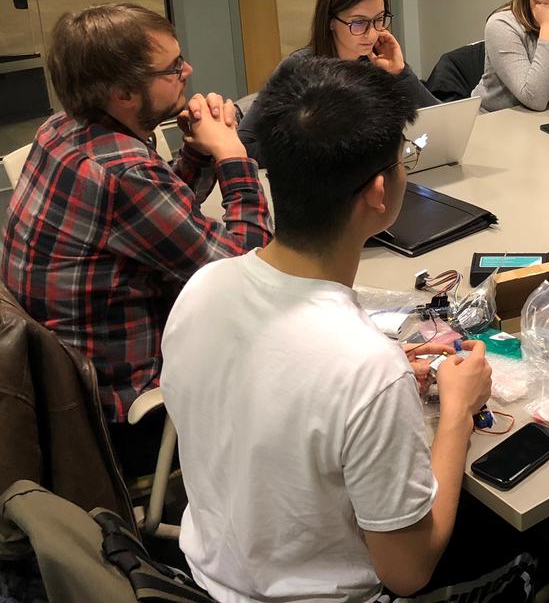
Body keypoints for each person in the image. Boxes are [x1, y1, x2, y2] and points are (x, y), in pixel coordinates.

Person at [161, 55, 496, 602]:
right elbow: (407, 571)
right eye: (404, 158)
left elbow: (278, 383)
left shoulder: (203, 288)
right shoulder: (366, 370)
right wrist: (457, 409)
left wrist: (377, 379)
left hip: (211, 577)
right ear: (379, 193)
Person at [0, 3, 271, 477]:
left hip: (59, 396)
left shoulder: (60, 129)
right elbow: (246, 271)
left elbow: (154, 221)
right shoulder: (124, 172)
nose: (188, 71)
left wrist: (194, 152)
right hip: (127, 418)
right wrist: (231, 154)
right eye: (172, 69)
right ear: (124, 93)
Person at [238, 0, 437, 164]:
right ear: (331, 21)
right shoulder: (298, 69)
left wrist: (400, 73)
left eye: (379, 19)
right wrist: (315, 152)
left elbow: (442, 126)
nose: (372, 33)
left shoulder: (381, 60)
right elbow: (244, 144)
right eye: (359, 23)